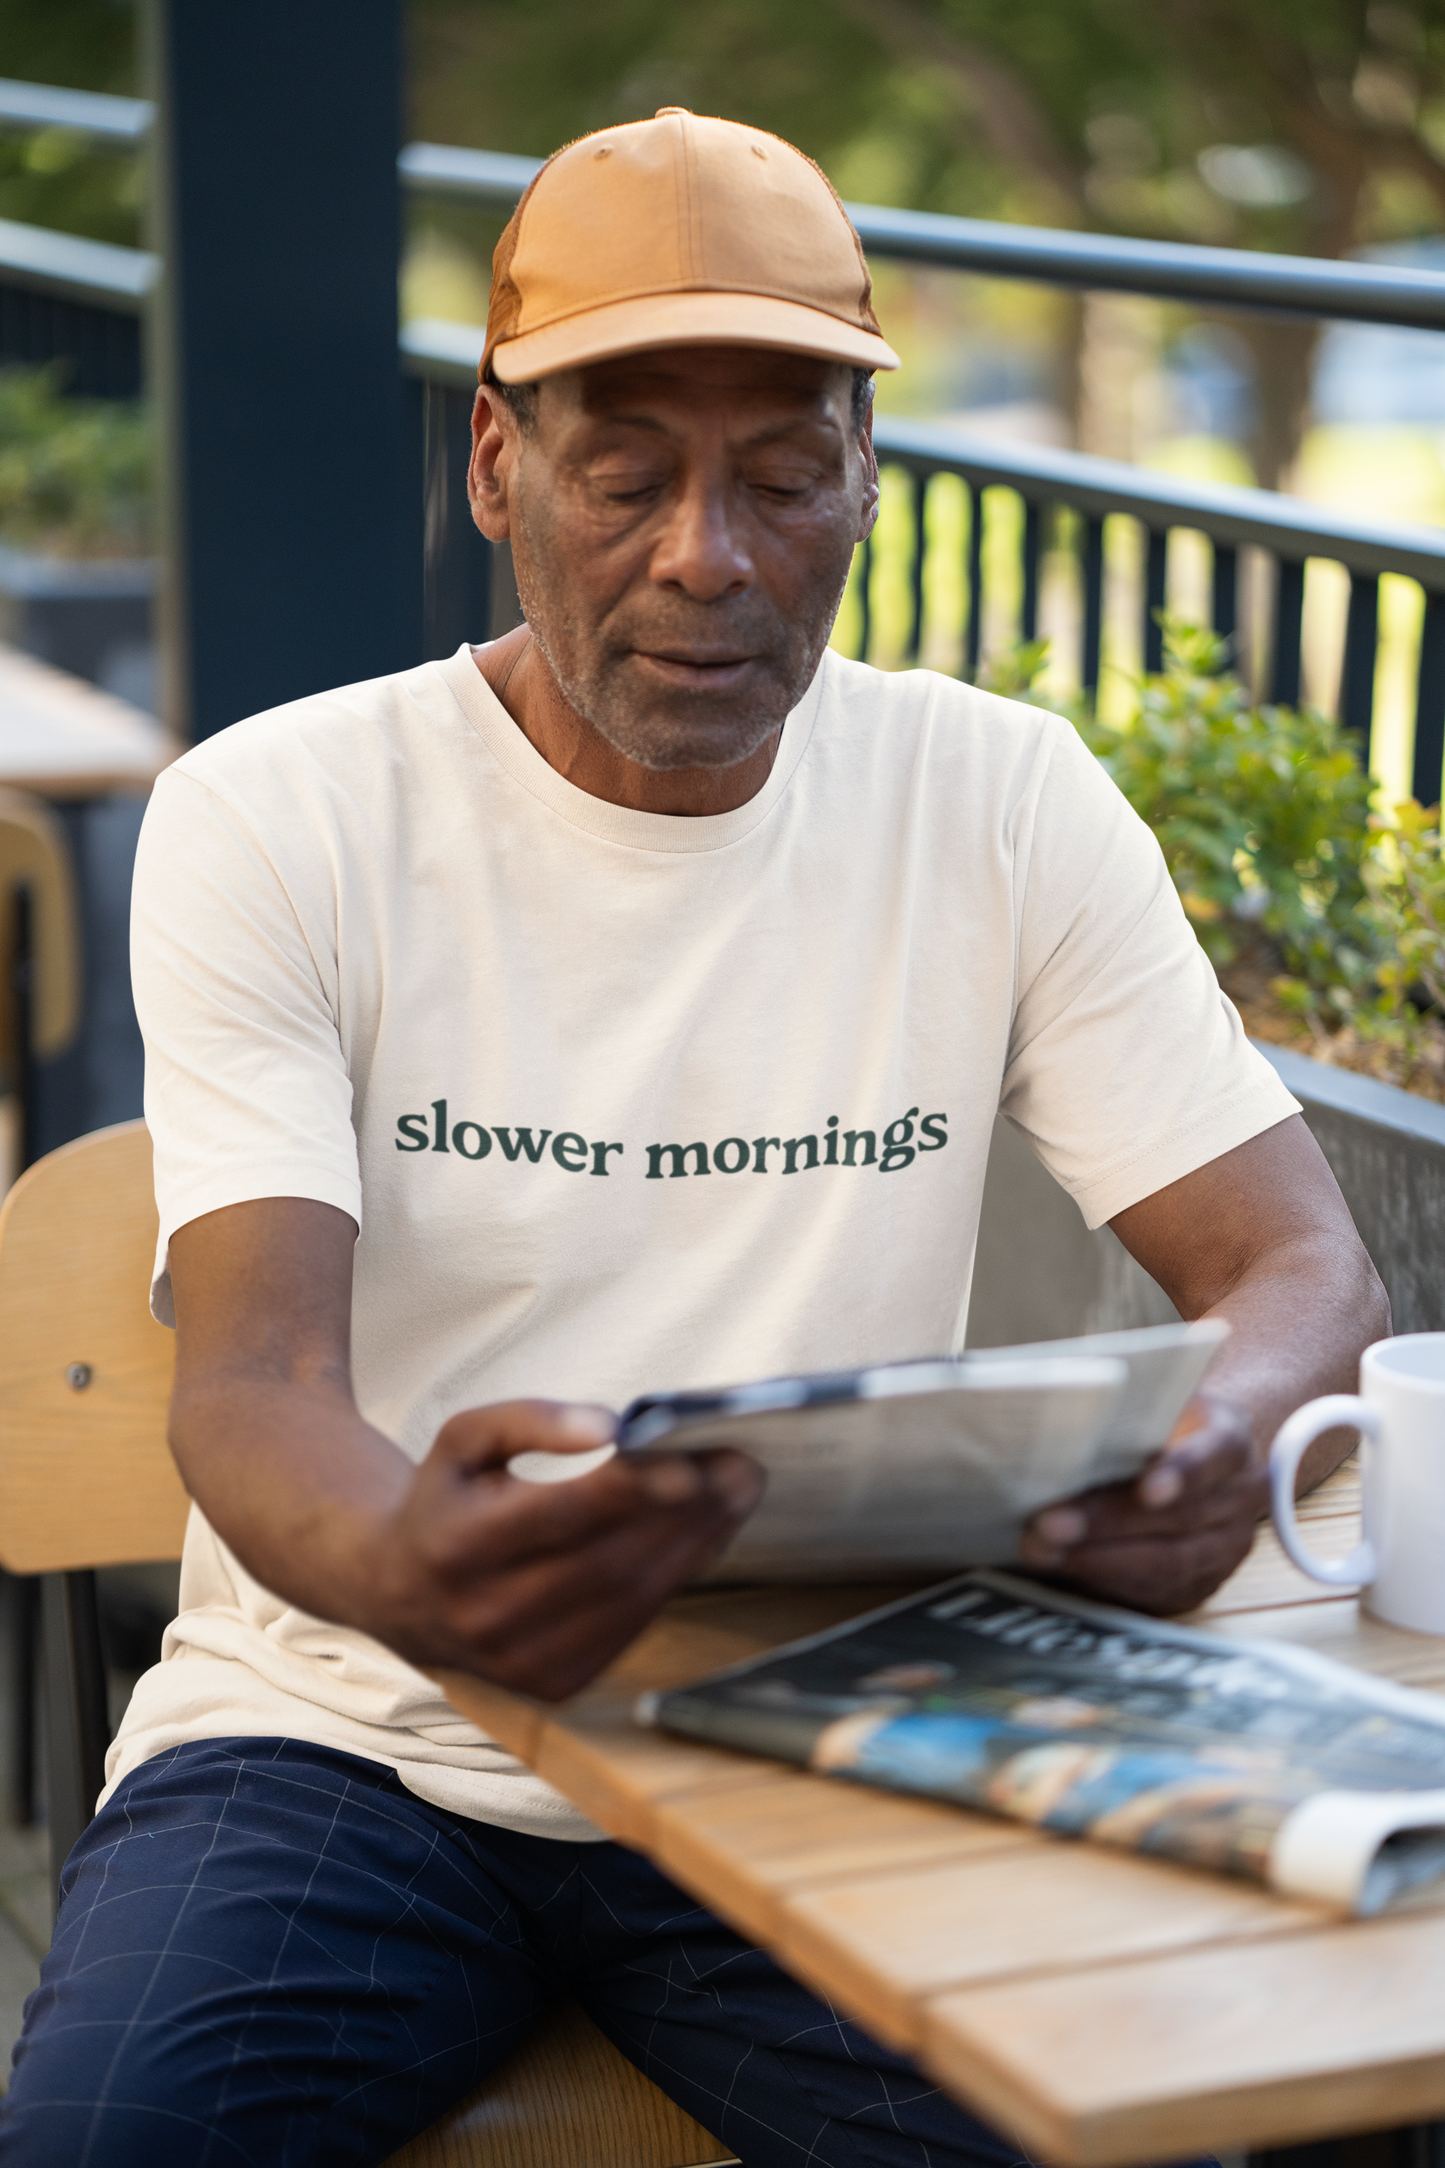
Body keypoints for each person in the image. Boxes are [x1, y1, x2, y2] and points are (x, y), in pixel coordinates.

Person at [0, 108, 1385, 2166]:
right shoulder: (280, 816)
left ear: (866, 480)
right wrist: (410, 1567)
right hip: (348, 1740)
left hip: (827, 1728)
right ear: (496, 465)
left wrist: (1210, 1452)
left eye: (781, 479)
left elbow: (1299, 1269)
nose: (706, 558)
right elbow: (257, 1384)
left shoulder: (999, 801)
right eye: (627, 475)